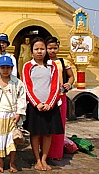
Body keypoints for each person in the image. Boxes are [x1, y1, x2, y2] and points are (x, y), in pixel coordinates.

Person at [22, 37, 64, 171]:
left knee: (47, 134)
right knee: (35, 133)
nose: (39, 52)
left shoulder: (52, 66)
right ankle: (37, 159)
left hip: (50, 105)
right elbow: (27, 86)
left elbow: (55, 86)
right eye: (36, 49)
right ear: (32, 51)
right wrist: (36, 103)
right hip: (35, 106)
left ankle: (44, 159)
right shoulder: (27, 66)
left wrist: (49, 104)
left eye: (42, 49)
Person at [0, 56, 27, 173]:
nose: (5, 70)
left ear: (12, 68)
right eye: (2, 67)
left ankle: (12, 162)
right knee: (0, 140)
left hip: (12, 116)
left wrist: (19, 113)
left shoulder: (17, 83)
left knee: (12, 140)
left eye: (8, 67)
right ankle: (1, 162)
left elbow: (21, 99)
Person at [45, 36, 75, 160]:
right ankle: (44, 152)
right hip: (45, 97)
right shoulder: (43, 62)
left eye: (54, 48)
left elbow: (71, 76)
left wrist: (69, 84)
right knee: (46, 126)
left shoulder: (63, 62)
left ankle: (56, 153)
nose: (52, 51)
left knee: (59, 125)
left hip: (60, 97)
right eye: (49, 48)